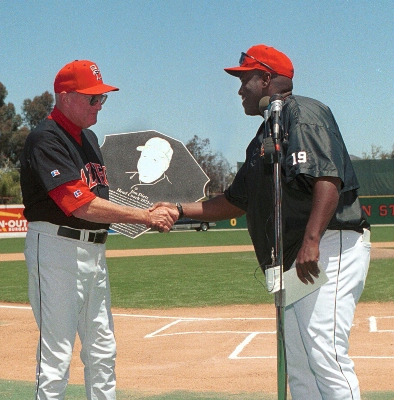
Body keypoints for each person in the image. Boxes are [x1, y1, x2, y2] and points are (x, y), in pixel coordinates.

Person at [154, 44, 371, 399]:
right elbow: (233, 202)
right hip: (295, 255)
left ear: (267, 78)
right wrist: (178, 210)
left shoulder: (304, 113)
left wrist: (312, 240)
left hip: (328, 244)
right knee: (299, 363)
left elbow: (327, 180)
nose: (240, 89)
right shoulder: (262, 138)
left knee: (324, 351)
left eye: (245, 79)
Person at [20, 59, 178, 399]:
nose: (99, 105)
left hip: (94, 250)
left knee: (103, 351)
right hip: (55, 249)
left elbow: (99, 200)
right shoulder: (45, 139)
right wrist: (144, 216)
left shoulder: (88, 138)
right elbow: (79, 204)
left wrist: (145, 209)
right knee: (57, 356)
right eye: (92, 98)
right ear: (64, 97)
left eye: (102, 98)